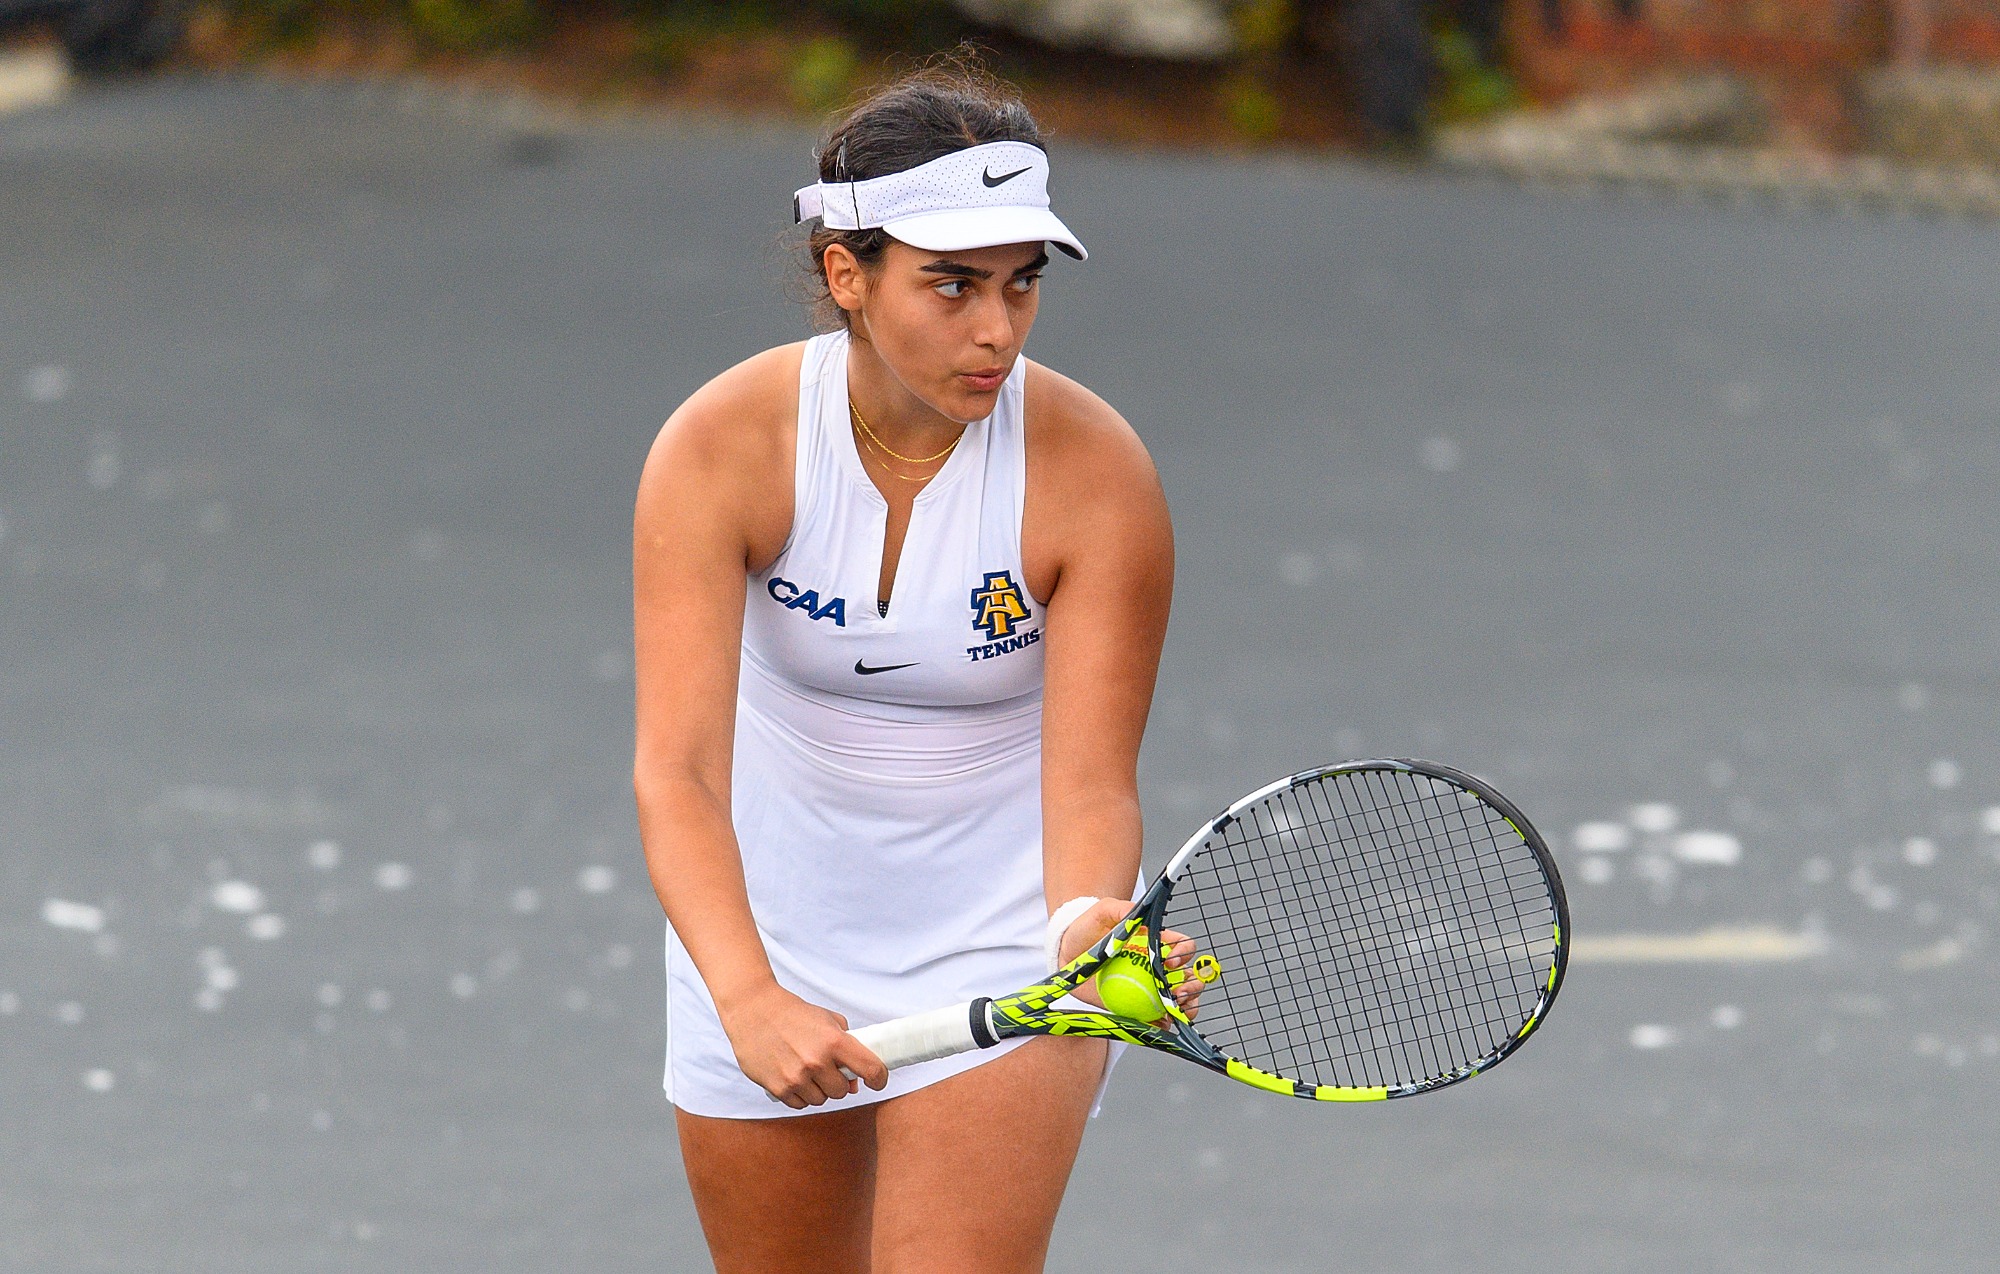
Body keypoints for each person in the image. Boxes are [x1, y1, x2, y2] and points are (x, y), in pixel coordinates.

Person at [632, 60, 1199, 1273]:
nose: (995, 329)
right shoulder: (721, 448)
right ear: (848, 273)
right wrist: (746, 991)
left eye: (1019, 285)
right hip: (765, 935)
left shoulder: (1097, 478)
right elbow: (675, 771)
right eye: (951, 285)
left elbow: (1092, 781)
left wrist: (1085, 921)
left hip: (1002, 939)